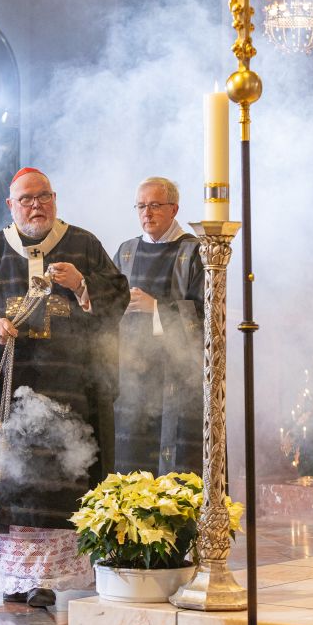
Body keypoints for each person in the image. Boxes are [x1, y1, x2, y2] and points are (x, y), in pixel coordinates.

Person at [0, 167, 129, 607]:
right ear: (10, 205)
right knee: (7, 479)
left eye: (44, 197)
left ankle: (47, 579)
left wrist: (81, 284)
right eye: (26, 200)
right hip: (6, 385)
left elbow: (117, 296)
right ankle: (12, 576)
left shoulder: (84, 244)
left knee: (58, 479)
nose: (35, 206)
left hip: (69, 387)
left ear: (55, 199)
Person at [114, 177, 204, 476]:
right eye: (141, 206)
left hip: (176, 377)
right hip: (132, 374)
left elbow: (207, 316)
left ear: (174, 209)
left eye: (154, 205)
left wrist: (156, 309)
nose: (146, 214)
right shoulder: (126, 252)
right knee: (131, 458)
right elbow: (107, 306)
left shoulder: (195, 252)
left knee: (173, 466)